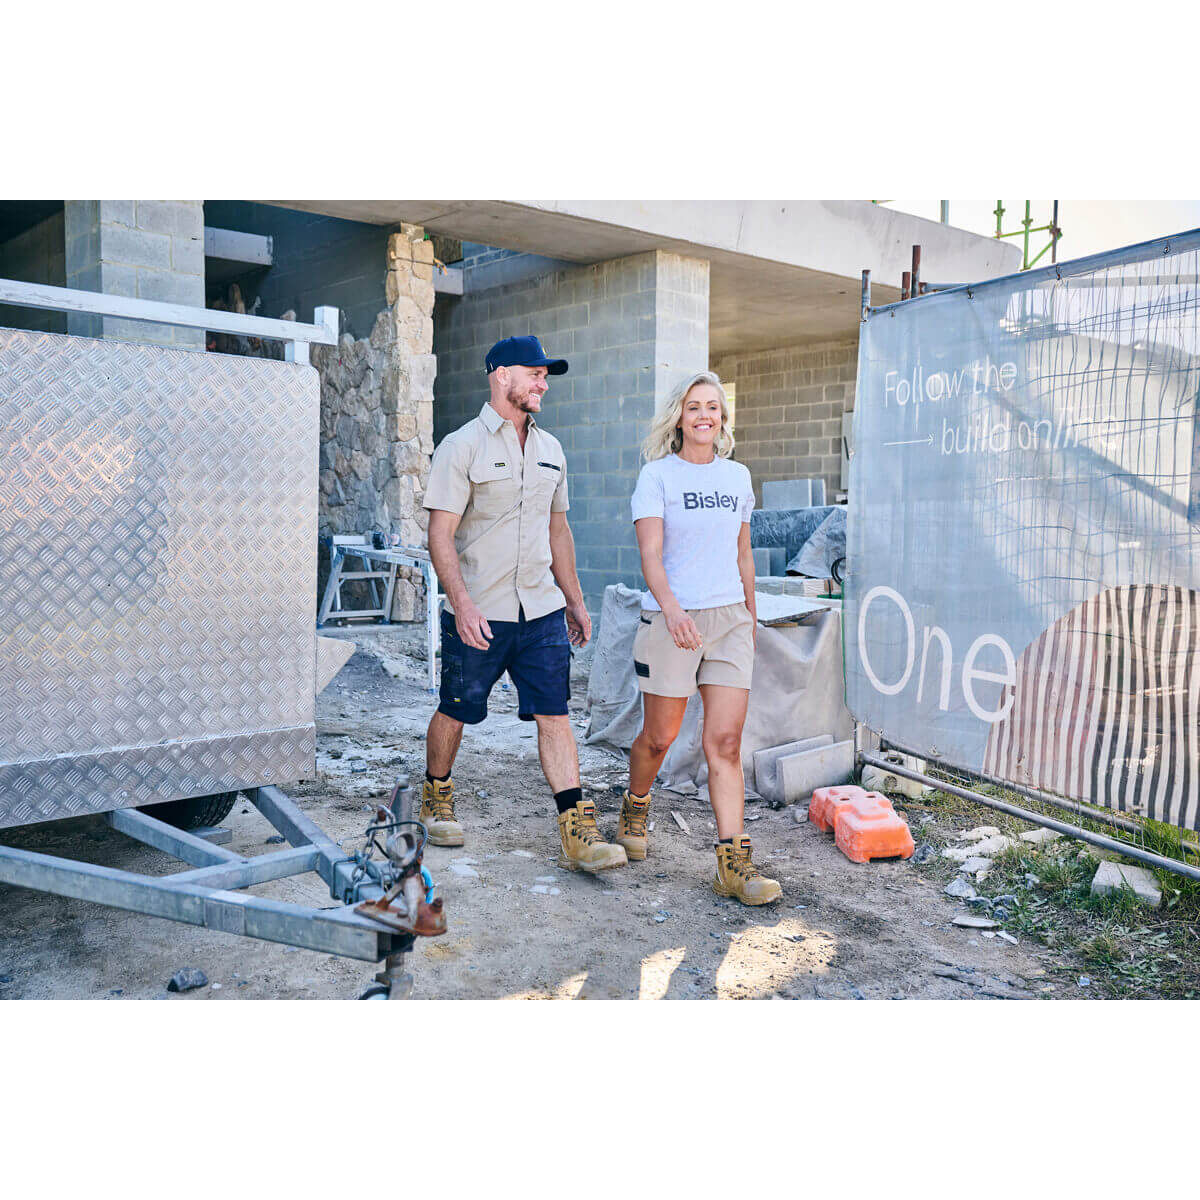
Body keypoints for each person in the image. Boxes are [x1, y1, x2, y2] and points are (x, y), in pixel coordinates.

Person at [419, 335, 626, 874]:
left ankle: (576, 831)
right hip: (480, 610)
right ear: (501, 375)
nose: (543, 384)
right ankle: (436, 794)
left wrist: (575, 601)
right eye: (534, 374)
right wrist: (461, 603)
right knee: (456, 711)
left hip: (541, 611)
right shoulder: (460, 446)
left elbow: (559, 531)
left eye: (545, 376)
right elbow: (440, 534)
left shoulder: (552, 450)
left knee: (555, 715)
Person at [618, 370, 782, 904]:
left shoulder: (737, 477)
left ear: (723, 418)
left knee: (726, 743)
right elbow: (650, 554)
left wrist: (750, 616)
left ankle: (733, 863)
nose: (704, 415)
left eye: (713, 407)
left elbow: (743, 553)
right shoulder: (657, 477)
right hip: (673, 619)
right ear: (679, 418)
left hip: (729, 619)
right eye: (694, 407)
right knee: (659, 737)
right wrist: (672, 610)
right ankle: (636, 804)